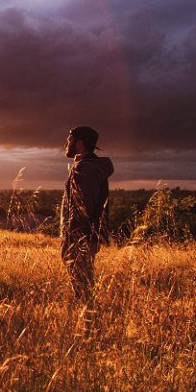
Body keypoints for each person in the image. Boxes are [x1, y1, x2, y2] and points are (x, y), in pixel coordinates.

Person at [60, 126, 114, 321]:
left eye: (70, 140)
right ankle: (87, 321)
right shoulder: (85, 166)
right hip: (84, 235)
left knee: (82, 283)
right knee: (83, 281)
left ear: (80, 143)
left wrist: (74, 237)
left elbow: (84, 207)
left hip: (81, 235)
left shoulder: (86, 169)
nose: (67, 144)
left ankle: (89, 323)